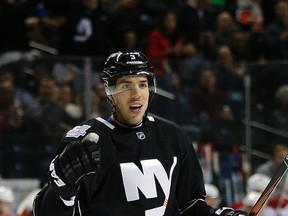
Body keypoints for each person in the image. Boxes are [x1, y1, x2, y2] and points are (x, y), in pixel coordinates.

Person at [33, 50, 248, 216]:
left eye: (143, 84)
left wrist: (218, 213)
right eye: (126, 86)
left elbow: (189, 206)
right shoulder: (84, 143)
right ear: (110, 92)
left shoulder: (173, 137)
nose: (136, 94)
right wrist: (62, 186)